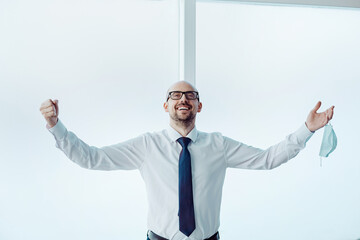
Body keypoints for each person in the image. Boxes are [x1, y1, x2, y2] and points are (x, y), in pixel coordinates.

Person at [39, 81, 334, 240]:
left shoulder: (218, 144)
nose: (183, 99)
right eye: (176, 94)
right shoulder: (146, 145)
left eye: (190, 95)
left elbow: (268, 159)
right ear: (166, 104)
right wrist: (56, 126)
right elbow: (92, 158)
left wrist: (306, 129)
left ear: (199, 105)